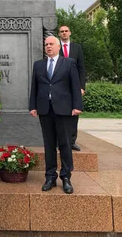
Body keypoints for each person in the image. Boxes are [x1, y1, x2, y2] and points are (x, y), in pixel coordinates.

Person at [29, 36, 83, 194]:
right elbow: (35, 86)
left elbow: (75, 85)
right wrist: (33, 106)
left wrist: (77, 106)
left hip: (64, 109)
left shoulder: (69, 63)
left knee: (65, 144)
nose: (48, 47)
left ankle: (66, 177)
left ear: (59, 47)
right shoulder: (38, 65)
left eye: (51, 44)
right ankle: (50, 177)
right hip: (45, 110)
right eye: (46, 44)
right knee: (49, 144)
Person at [58, 25, 86, 151]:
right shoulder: (55, 47)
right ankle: (60, 141)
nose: (64, 33)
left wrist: (81, 86)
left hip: (74, 86)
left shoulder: (77, 47)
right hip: (59, 86)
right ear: (59, 34)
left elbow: (82, 68)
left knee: (74, 114)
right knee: (59, 114)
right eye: (62, 32)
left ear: (70, 33)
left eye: (66, 31)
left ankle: (72, 141)